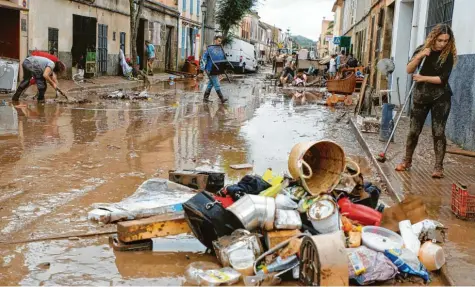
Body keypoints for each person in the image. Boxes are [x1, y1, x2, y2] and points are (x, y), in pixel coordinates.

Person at [395, 24, 457, 179]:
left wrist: (422, 78)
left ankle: (438, 167)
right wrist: (420, 56)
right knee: (413, 131)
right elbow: (409, 70)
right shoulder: (422, 49)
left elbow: (442, 80)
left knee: (438, 132)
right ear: (433, 37)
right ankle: (407, 161)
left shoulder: (448, 54)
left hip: (440, 97)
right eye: (440, 40)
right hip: (421, 96)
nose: (443, 43)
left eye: (446, 41)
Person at [201, 35, 227, 104]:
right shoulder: (210, 48)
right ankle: (222, 98)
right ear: (215, 40)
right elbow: (204, 57)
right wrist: (202, 68)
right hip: (210, 68)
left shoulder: (220, 49)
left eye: (220, 41)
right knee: (216, 83)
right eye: (218, 41)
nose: (219, 42)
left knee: (210, 84)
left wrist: (222, 69)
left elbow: (222, 58)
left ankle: (205, 98)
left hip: (216, 68)